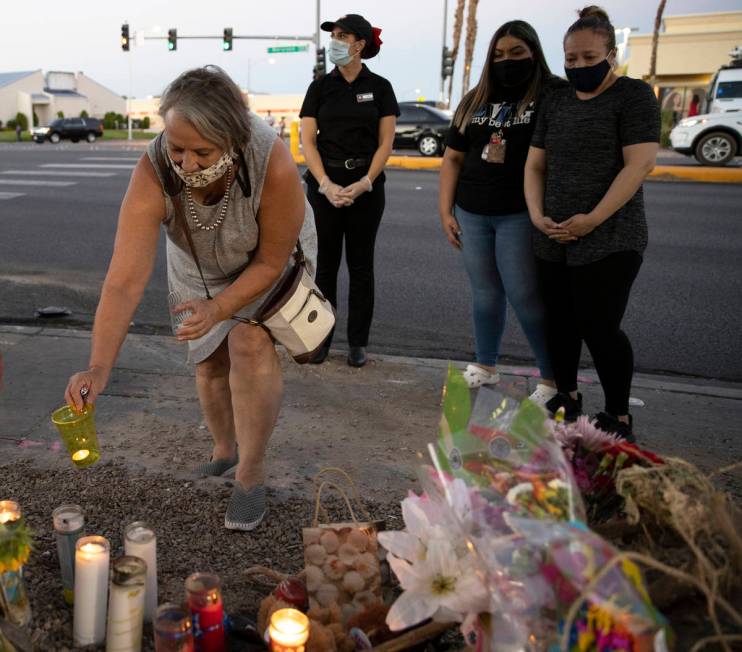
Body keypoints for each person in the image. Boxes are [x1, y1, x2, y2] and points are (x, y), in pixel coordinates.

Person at [64, 66, 317, 530]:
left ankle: (250, 473)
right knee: (207, 358)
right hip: (195, 261)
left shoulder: (271, 161)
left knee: (247, 342)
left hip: (266, 256)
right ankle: (224, 450)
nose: (186, 163)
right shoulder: (154, 169)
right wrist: (99, 367)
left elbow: (268, 263)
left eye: (203, 152)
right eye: (177, 148)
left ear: (235, 140)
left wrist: (221, 308)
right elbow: (123, 281)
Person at [524, 6, 660, 441]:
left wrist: (593, 219)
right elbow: (535, 166)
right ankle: (566, 398)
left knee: (599, 327)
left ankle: (618, 417)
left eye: (588, 57)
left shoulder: (633, 96)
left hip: (611, 237)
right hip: (553, 235)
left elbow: (638, 166)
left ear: (611, 54)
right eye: (571, 59)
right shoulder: (556, 98)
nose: (579, 66)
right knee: (559, 323)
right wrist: (537, 216)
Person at [439, 20, 561, 405]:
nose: (506, 61)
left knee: (525, 295)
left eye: (516, 53)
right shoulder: (474, 99)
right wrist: (445, 211)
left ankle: (552, 378)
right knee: (484, 294)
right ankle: (486, 365)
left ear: (533, 53)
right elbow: (453, 159)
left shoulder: (552, 95)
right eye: (499, 54)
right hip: (472, 211)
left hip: (520, 213)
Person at [300, 13, 398, 367]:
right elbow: (307, 141)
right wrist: (325, 184)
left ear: (359, 45)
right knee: (324, 267)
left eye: (342, 36)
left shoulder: (381, 87)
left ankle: (358, 343)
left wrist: (365, 182)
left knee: (361, 266)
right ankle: (321, 339)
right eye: (334, 36)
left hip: (366, 190)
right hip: (325, 189)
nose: (335, 43)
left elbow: (386, 143)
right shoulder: (320, 87)